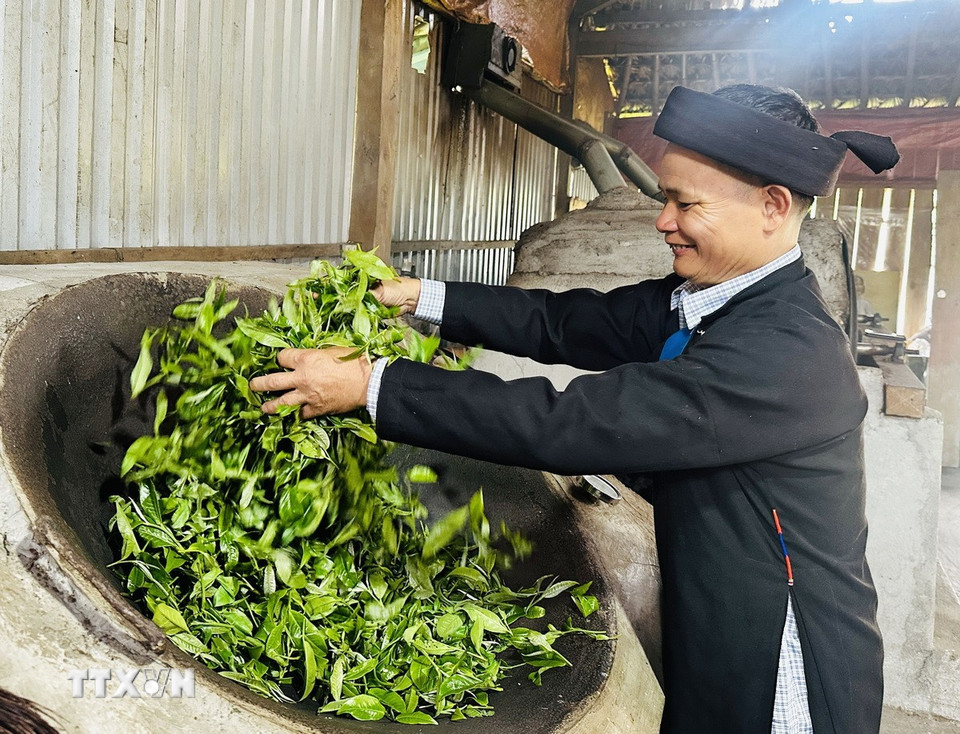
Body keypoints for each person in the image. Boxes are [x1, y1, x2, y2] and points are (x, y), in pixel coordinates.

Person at [250, 84, 900, 733]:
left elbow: (571, 422)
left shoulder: (784, 352)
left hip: (781, 667)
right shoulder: (717, 298)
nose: (662, 220)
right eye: (663, 197)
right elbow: (570, 321)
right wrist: (425, 297)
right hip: (720, 621)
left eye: (684, 202)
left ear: (773, 206)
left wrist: (373, 384)